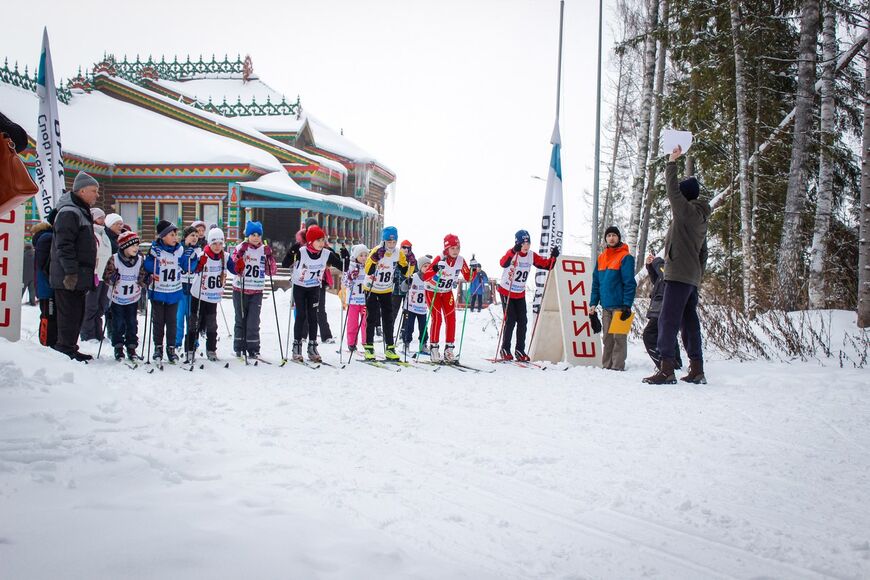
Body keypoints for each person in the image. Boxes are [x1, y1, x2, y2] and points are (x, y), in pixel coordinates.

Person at [644, 145, 711, 385]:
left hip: (679, 276)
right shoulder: (700, 218)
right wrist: (697, 274)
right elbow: (704, 251)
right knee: (689, 322)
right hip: (690, 277)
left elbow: (673, 192)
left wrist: (671, 162)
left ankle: (666, 369)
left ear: (687, 196)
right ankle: (697, 369)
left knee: (667, 321)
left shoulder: (686, 212)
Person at [49, 171, 99, 361]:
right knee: (68, 316)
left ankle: (70, 347)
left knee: (76, 314)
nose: (96, 195)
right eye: (94, 191)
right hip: (68, 276)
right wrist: (71, 272)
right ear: (82, 190)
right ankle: (65, 350)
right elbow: (64, 245)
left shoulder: (79, 210)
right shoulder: (69, 211)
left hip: (79, 275)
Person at [496, 230, 558, 361]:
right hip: (506, 290)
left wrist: (554, 257)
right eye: (523, 243)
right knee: (511, 320)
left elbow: (547, 265)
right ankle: (505, 348)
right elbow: (503, 263)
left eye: (528, 242)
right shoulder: (513, 253)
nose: (526, 245)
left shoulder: (531, 255)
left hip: (519, 292)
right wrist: (513, 250)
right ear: (517, 243)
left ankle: (520, 350)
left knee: (523, 321)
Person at [286, 225, 343, 362]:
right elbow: (285, 263)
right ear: (310, 241)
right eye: (318, 240)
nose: (321, 243)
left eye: (323, 240)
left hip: (314, 287)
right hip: (300, 287)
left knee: (313, 317)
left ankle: (312, 347)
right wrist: (291, 252)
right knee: (301, 315)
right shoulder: (301, 251)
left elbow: (342, 266)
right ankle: (297, 347)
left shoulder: (326, 253)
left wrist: (345, 257)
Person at [144, 220, 194, 363]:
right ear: (163, 236)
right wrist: (152, 258)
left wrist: (191, 257)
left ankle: (171, 348)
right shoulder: (156, 249)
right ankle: (158, 347)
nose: (175, 238)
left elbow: (187, 267)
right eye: (172, 235)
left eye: (176, 235)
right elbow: (148, 267)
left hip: (173, 291)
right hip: (158, 292)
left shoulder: (179, 250)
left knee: (172, 322)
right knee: (158, 321)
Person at [363, 226, 415, 362]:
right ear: (384, 241)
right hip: (372, 288)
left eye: (394, 242)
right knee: (372, 318)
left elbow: (406, 272)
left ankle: (390, 348)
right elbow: (368, 270)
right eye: (389, 241)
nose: (391, 245)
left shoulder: (398, 253)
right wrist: (374, 259)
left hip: (386, 289)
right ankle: (369, 347)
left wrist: (412, 265)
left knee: (388, 319)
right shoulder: (376, 250)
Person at [590, 225, 637, 371]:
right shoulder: (601, 258)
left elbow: (630, 283)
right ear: (605, 238)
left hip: (621, 306)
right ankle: (606, 367)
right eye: (608, 235)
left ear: (619, 238)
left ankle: (617, 367)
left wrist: (627, 305)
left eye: (614, 235)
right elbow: (596, 283)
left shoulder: (625, 257)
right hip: (606, 306)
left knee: (619, 338)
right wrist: (593, 303)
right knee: (607, 339)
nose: (611, 238)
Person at [186, 228, 234, 363]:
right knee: (194, 323)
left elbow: (235, 270)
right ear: (209, 243)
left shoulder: (225, 256)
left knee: (212, 324)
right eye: (214, 243)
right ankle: (190, 349)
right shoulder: (203, 255)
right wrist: (198, 264)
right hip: (198, 295)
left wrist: (239, 265)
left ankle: (211, 349)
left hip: (213, 296)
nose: (217, 247)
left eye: (220, 243)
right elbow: (193, 269)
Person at [423, 234, 472, 363]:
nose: (455, 251)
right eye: (453, 248)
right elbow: (426, 275)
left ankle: (449, 350)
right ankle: (434, 348)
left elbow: (469, 277)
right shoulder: (440, 258)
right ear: (446, 249)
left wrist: (474, 268)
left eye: (458, 248)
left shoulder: (461, 260)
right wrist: (435, 268)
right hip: (432, 291)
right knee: (437, 318)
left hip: (447, 292)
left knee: (451, 319)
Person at [232, 221, 277, 359]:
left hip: (257, 290)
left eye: (258, 235)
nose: (256, 237)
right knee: (241, 319)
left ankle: (253, 348)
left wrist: (270, 257)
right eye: (253, 234)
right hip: (240, 289)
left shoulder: (264, 250)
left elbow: (272, 271)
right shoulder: (241, 247)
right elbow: (233, 266)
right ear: (247, 235)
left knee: (253, 321)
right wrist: (240, 254)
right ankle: (239, 347)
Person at [102, 230, 147, 361]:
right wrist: (112, 278)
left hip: (132, 298)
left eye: (137, 245)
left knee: (132, 323)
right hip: (117, 299)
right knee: (118, 323)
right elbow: (106, 277)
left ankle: (131, 347)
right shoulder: (114, 259)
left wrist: (145, 280)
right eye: (132, 245)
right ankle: (118, 347)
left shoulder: (139, 260)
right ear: (124, 246)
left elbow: (142, 277)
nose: (136, 248)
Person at [642, 254, 682, 371]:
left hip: (664, 304)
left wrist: (656, 261)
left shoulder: (673, 265)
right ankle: (675, 363)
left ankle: (665, 365)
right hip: (662, 304)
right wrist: (650, 266)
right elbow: (659, 280)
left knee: (649, 335)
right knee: (668, 334)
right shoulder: (666, 267)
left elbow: (665, 274)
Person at [80, 207, 112, 342]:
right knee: (90, 306)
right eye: (100, 217)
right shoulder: (90, 232)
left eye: (104, 217)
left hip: (103, 275)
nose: (103, 220)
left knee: (100, 306)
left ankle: (98, 332)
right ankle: (88, 334)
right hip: (93, 275)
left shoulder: (104, 234)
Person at [31, 221, 56, 347]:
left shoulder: (41, 239)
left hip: (43, 285)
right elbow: (45, 265)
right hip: (47, 286)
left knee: (46, 314)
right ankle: (46, 341)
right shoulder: (47, 238)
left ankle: (46, 340)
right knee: (48, 315)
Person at [175, 226, 200, 350]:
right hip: (180, 287)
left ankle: (192, 341)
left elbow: (197, 267)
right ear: (185, 237)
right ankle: (177, 341)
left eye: (196, 236)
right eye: (192, 235)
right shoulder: (179, 249)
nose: (195, 238)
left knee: (192, 317)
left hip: (193, 288)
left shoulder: (199, 251)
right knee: (179, 316)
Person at [401, 254, 432, 355]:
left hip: (422, 309)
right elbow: (403, 288)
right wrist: (407, 282)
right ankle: (406, 344)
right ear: (420, 267)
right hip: (410, 307)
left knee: (423, 328)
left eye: (429, 266)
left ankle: (423, 345)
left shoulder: (431, 279)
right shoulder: (414, 277)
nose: (427, 268)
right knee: (409, 327)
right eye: (425, 266)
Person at [342, 244, 369, 354]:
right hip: (353, 300)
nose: (363, 257)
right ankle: (351, 343)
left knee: (365, 322)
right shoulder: (351, 266)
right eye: (361, 255)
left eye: (365, 255)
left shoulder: (369, 267)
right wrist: (351, 276)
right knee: (352, 323)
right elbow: (345, 283)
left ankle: (367, 342)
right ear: (356, 256)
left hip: (364, 300)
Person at [390, 239, 414, 333]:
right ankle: (389, 329)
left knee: (407, 311)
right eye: (404, 247)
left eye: (408, 248)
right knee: (393, 310)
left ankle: (404, 330)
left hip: (407, 289)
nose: (406, 250)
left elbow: (415, 272)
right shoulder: (395, 257)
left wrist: (410, 279)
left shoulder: (412, 260)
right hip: (396, 289)